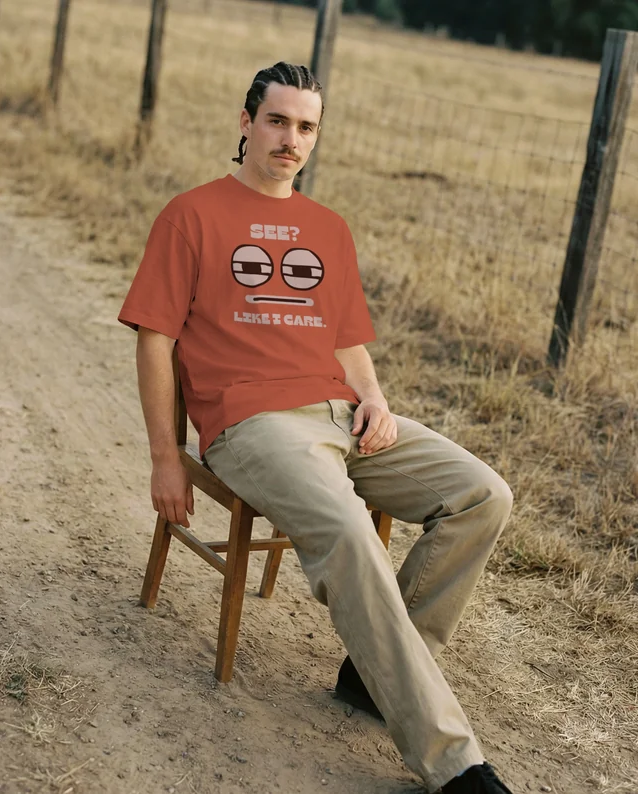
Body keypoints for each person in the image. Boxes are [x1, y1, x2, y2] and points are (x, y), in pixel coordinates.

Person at [118, 61, 514, 794]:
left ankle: (374, 673)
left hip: (341, 414)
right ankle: (453, 763)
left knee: (483, 494)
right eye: (276, 120)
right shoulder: (191, 215)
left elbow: (344, 338)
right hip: (254, 423)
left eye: (305, 126)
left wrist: (376, 397)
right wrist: (164, 458)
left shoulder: (327, 228)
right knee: (349, 534)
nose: (289, 138)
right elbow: (154, 339)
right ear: (246, 123)